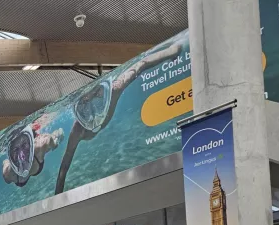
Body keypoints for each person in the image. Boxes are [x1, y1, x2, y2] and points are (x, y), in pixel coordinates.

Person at [54, 40, 183, 194]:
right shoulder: (78, 130)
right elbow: (65, 164)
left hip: (104, 99)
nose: (92, 109)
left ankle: (171, 50)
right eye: (85, 108)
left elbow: (141, 64)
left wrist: (172, 52)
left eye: (94, 99)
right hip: (91, 123)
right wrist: (58, 193)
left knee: (136, 69)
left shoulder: (114, 89)